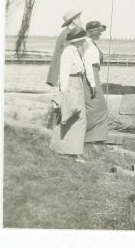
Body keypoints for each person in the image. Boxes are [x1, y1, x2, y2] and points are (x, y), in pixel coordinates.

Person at [50, 27, 96, 163]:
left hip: (77, 83)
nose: (84, 42)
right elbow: (63, 73)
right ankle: (72, 152)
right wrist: (64, 93)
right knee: (77, 118)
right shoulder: (68, 52)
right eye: (82, 40)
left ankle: (65, 149)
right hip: (71, 85)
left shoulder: (74, 50)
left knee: (73, 117)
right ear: (77, 40)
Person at [82, 21, 109, 143]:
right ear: (92, 32)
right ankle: (85, 136)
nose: (100, 34)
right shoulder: (87, 44)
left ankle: (95, 138)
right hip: (90, 75)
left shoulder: (90, 43)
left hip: (94, 74)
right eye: (98, 31)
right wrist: (92, 84)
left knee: (98, 106)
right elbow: (88, 65)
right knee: (96, 106)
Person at [46, 10, 83, 86]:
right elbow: (66, 57)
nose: (81, 21)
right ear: (73, 21)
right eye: (79, 18)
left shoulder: (67, 33)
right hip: (64, 75)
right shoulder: (68, 35)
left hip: (62, 74)